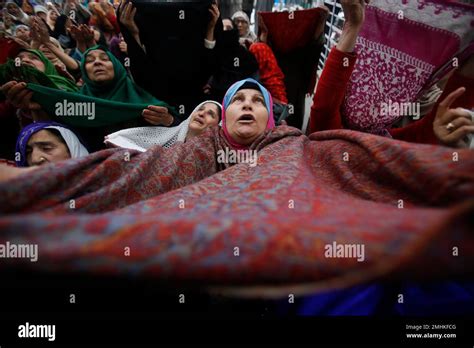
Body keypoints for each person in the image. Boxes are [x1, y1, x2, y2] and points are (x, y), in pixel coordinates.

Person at [105, 101, 222, 151]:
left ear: (218, 126)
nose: (201, 114)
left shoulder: (212, 157)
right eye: (200, 109)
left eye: (210, 114)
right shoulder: (162, 139)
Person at [15, 121, 89, 167]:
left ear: (72, 150)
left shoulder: (97, 188)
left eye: (46, 148)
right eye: (28, 152)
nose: (34, 159)